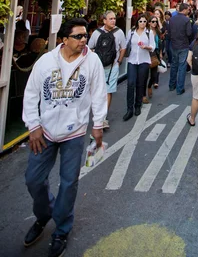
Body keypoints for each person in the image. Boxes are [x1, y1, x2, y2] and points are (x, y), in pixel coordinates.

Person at [22, 18, 107, 257]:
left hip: (75, 132)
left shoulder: (92, 60)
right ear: (64, 39)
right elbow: (31, 94)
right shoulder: (46, 61)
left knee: (69, 183)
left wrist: (98, 125)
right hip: (44, 132)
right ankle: (45, 214)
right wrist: (33, 125)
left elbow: (99, 93)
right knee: (33, 180)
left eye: (85, 36)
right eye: (79, 36)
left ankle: (61, 228)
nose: (84, 40)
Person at [88, 10, 126, 130]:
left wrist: (119, 61)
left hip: (113, 66)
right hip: (98, 68)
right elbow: (89, 48)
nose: (113, 20)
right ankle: (99, 116)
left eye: (114, 18)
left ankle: (103, 117)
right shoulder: (96, 33)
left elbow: (123, 48)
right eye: (110, 19)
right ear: (104, 20)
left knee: (108, 92)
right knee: (97, 92)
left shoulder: (119, 32)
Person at [123, 13, 155, 121]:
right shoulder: (131, 32)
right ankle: (129, 109)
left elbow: (153, 47)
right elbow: (126, 44)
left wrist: (146, 47)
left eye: (144, 21)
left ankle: (138, 105)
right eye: (140, 21)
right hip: (132, 61)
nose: (142, 23)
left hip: (144, 61)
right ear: (137, 22)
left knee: (140, 84)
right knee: (130, 83)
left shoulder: (149, 32)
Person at [169, 3, 193, 95]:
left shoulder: (172, 19)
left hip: (174, 44)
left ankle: (172, 85)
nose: (189, 11)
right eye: (188, 9)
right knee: (182, 66)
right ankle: (179, 88)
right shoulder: (186, 20)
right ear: (185, 10)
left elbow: (170, 32)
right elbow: (189, 33)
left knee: (174, 65)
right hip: (183, 45)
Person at [145, 15, 161, 99]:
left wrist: (161, 53)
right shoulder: (146, 32)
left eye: (156, 21)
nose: (155, 23)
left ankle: (149, 86)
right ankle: (144, 93)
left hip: (156, 53)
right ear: (149, 22)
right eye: (153, 21)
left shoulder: (157, 31)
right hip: (147, 53)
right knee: (145, 74)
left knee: (154, 75)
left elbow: (160, 42)